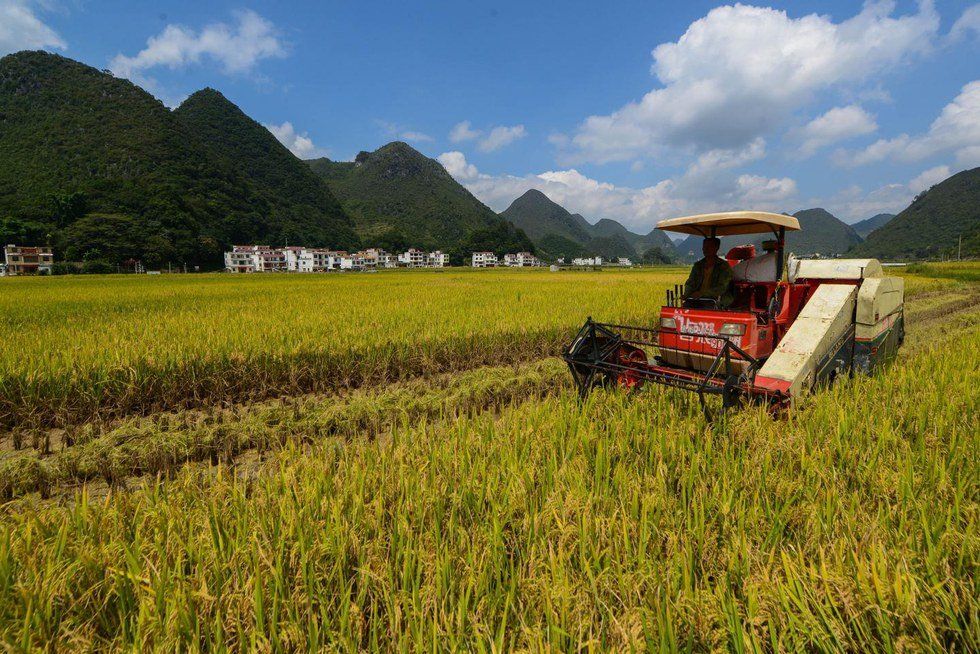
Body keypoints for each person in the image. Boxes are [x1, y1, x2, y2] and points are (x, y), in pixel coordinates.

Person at [683, 237, 733, 308]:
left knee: (708, 307)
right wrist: (687, 294)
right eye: (704, 246)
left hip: (716, 299)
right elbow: (690, 282)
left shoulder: (724, 266)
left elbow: (722, 287)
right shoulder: (698, 265)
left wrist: (702, 293)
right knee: (685, 307)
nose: (705, 249)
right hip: (698, 298)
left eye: (709, 246)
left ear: (716, 248)